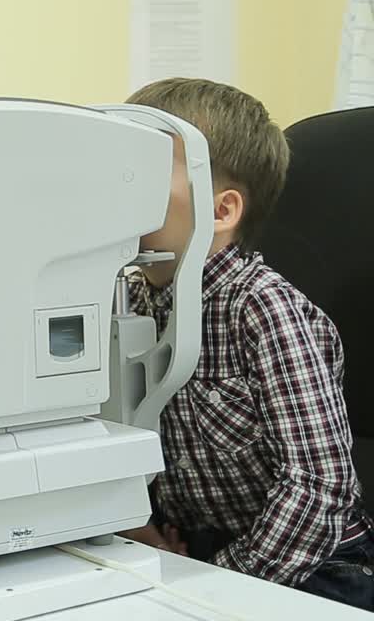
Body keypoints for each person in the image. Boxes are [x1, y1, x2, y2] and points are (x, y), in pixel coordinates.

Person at [120, 78, 373, 610]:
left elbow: (318, 487)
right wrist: (137, 525)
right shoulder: (134, 299)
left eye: (143, 174)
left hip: (311, 562)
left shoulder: (265, 311)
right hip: (198, 550)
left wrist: (219, 582)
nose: (122, 189)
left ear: (221, 212)